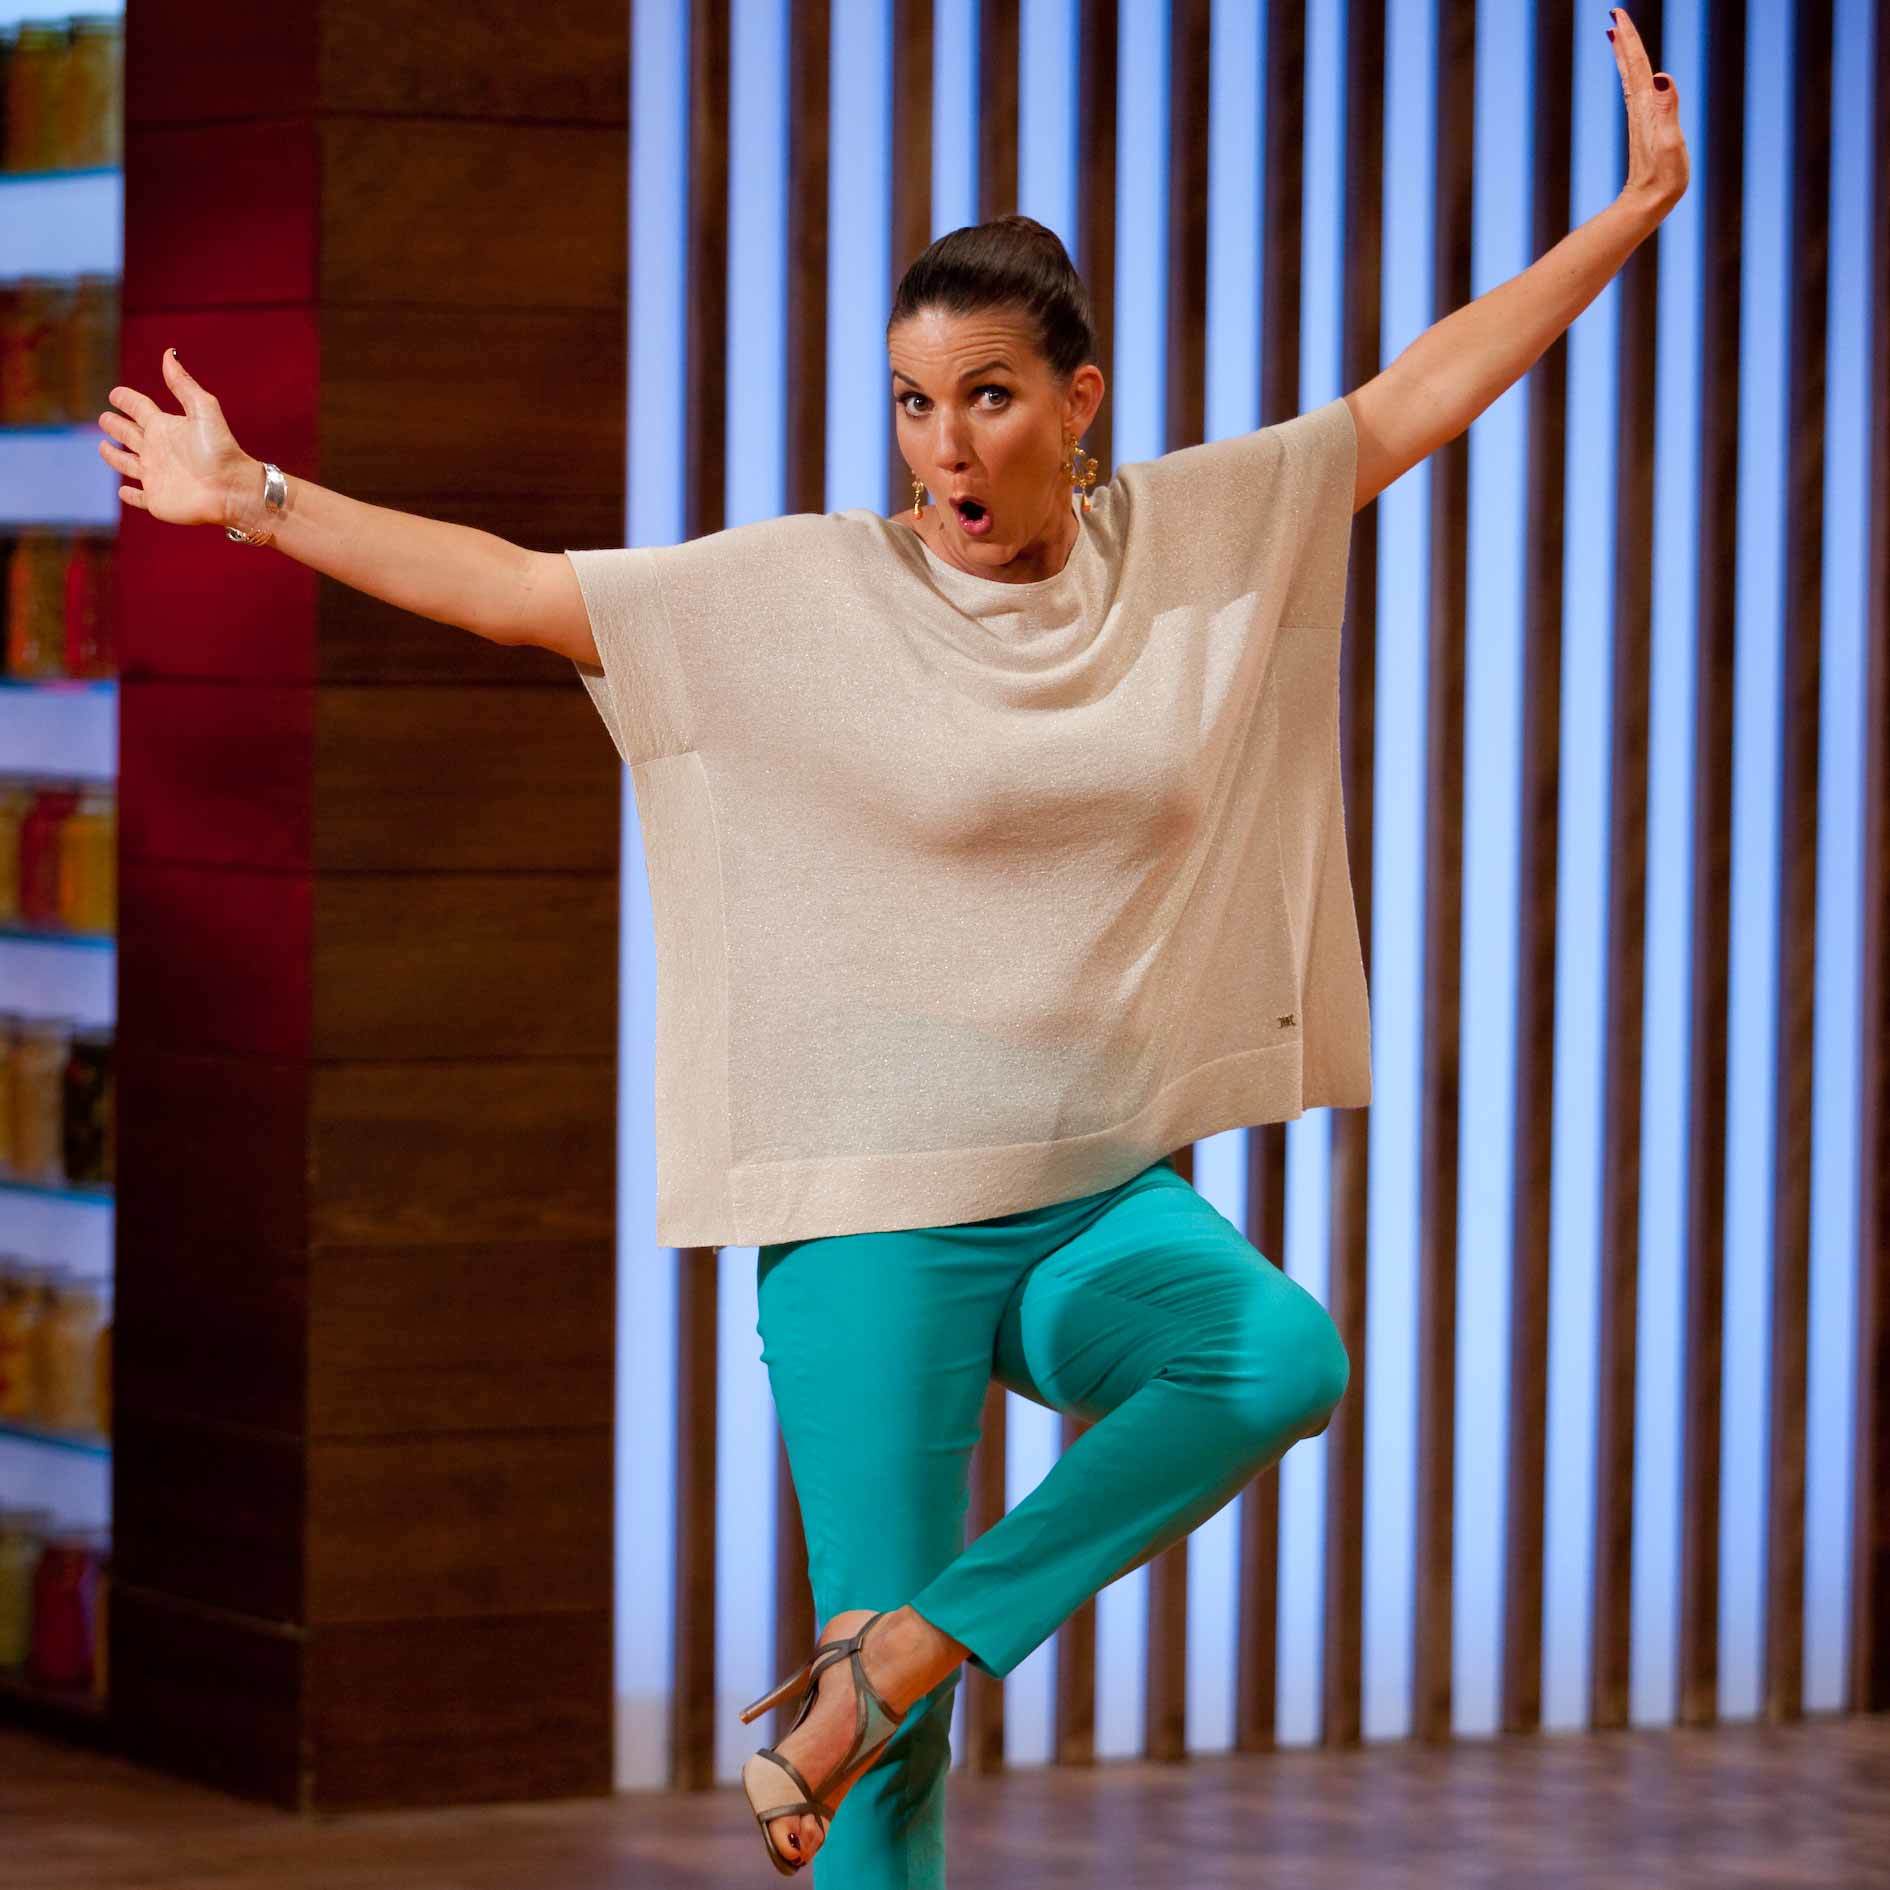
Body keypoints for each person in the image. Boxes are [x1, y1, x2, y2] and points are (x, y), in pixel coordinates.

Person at [95, 20, 1685, 1881]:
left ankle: (904, 1652)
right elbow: (526, 593)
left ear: (1078, 402)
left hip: (1093, 1194)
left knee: (1274, 1359)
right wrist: (257, 499)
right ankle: (885, 1686)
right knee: (889, 1780)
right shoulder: (811, 588)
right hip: (869, 1213)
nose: (946, 445)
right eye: (915, 403)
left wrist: (1629, 210)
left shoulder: (1191, 540)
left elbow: (1415, 398)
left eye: (989, 397)